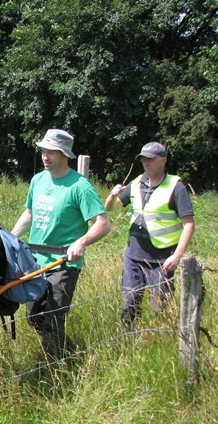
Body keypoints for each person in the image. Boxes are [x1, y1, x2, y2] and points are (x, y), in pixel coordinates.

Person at [11, 129, 110, 357]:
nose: (46, 156)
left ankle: (55, 366)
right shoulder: (38, 180)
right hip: (35, 261)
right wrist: (11, 236)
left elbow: (103, 223)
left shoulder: (80, 186)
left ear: (65, 155)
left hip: (64, 262)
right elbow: (29, 213)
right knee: (33, 317)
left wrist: (82, 242)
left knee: (53, 321)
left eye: (52, 152)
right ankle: (72, 352)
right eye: (44, 151)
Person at [104, 142, 195, 331]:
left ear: (163, 160)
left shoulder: (176, 187)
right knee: (129, 303)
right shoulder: (136, 183)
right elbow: (109, 209)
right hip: (133, 256)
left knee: (160, 309)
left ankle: (160, 342)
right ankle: (128, 341)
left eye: (151, 159)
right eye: (143, 159)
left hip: (162, 259)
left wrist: (177, 256)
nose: (146, 163)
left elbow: (189, 224)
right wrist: (112, 196)